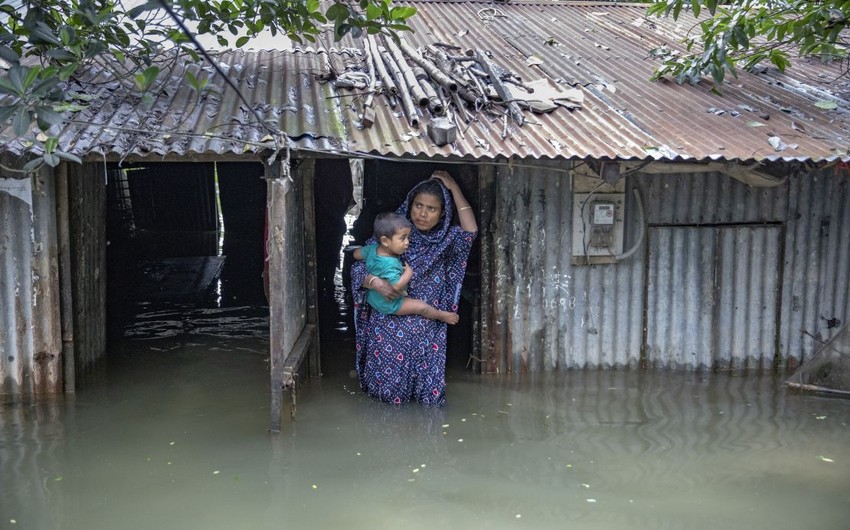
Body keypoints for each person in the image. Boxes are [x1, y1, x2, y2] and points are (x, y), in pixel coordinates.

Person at [351, 170, 477, 405]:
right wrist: (375, 282)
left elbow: (471, 232)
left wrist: (454, 189)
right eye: (418, 205)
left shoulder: (447, 241)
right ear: (410, 205)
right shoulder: (393, 234)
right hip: (388, 324)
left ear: (442, 214)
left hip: (427, 329)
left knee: (427, 401)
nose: (423, 213)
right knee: (385, 401)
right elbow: (359, 265)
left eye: (431, 209)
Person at [353, 212, 460, 325]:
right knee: (422, 307)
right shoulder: (390, 264)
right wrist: (409, 273)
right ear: (385, 241)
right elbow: (396, 286)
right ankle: (441, 315)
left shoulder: (373, 249)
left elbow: (356, 254)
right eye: (402, 238)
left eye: (408, 237)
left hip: (372, 297)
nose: (407, 242)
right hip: (389, 304)